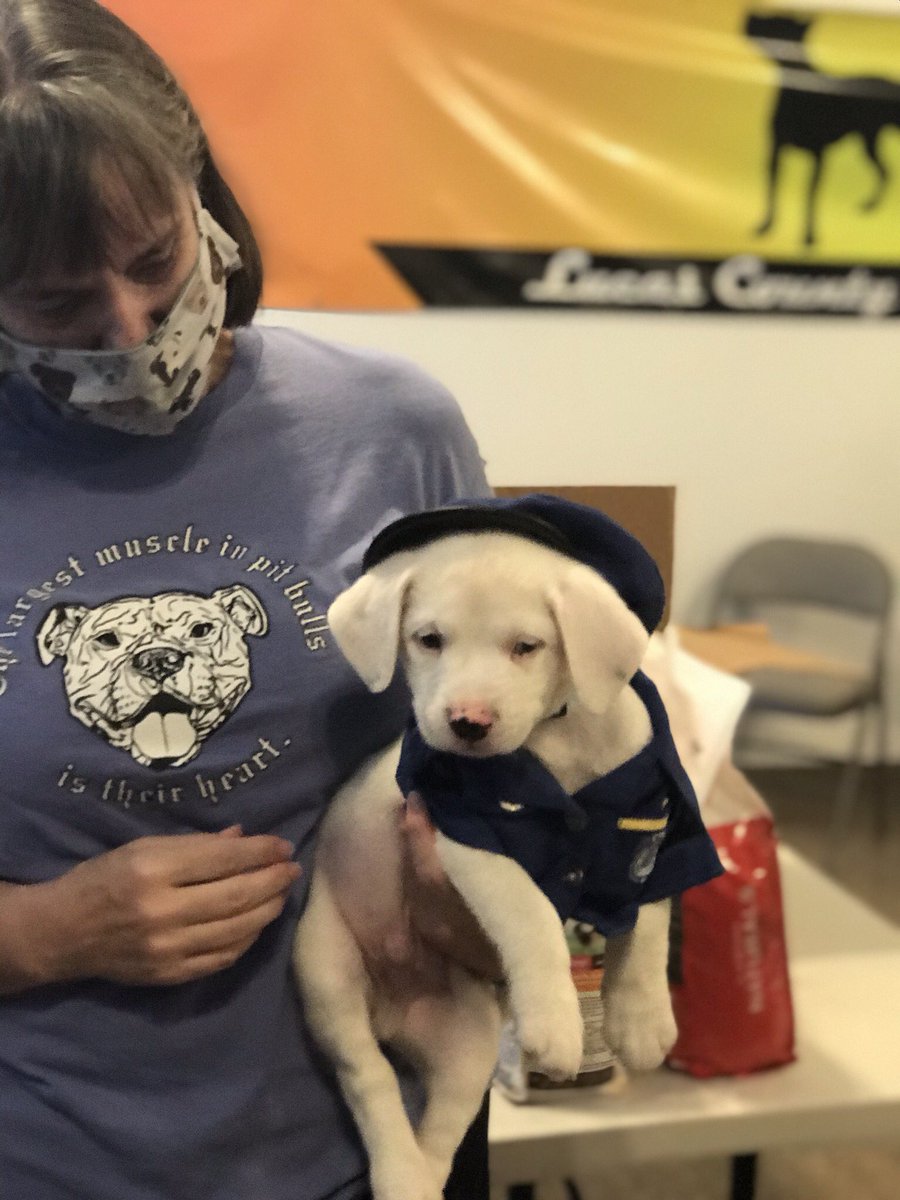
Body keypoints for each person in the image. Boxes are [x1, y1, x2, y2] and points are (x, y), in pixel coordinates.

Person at [0, 2, 496, 1197]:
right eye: (57, 305)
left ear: (201, 196)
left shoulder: (393, 430)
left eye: (155, 257)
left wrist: (490, 879)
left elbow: (499, 764)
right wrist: (38, 935)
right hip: (51, 1152)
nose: (128, 326)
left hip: (373, 1143)